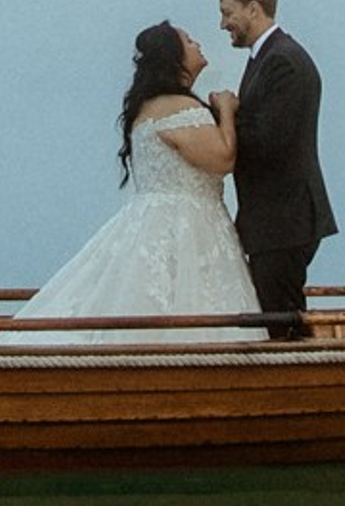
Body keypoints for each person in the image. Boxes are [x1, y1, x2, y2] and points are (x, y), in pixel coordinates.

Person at [17, 22, 261, 329]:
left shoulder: (149, 106)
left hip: (154, 221)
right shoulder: (179, 107)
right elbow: (223, 158)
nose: (197, 43)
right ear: (173, 56)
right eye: (188, 40)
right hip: (187, 226)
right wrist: (226, 109)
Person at [218, 0, 335, 341]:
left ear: (254, 9)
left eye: (228, 13)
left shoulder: (283, 61)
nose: (223, 24)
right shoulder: (266, 58)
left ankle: (301, 391)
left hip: (284, 220)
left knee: (281, 323)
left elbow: (267, 140)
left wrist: (225, 115)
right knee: (277, 315)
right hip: (275, 220)